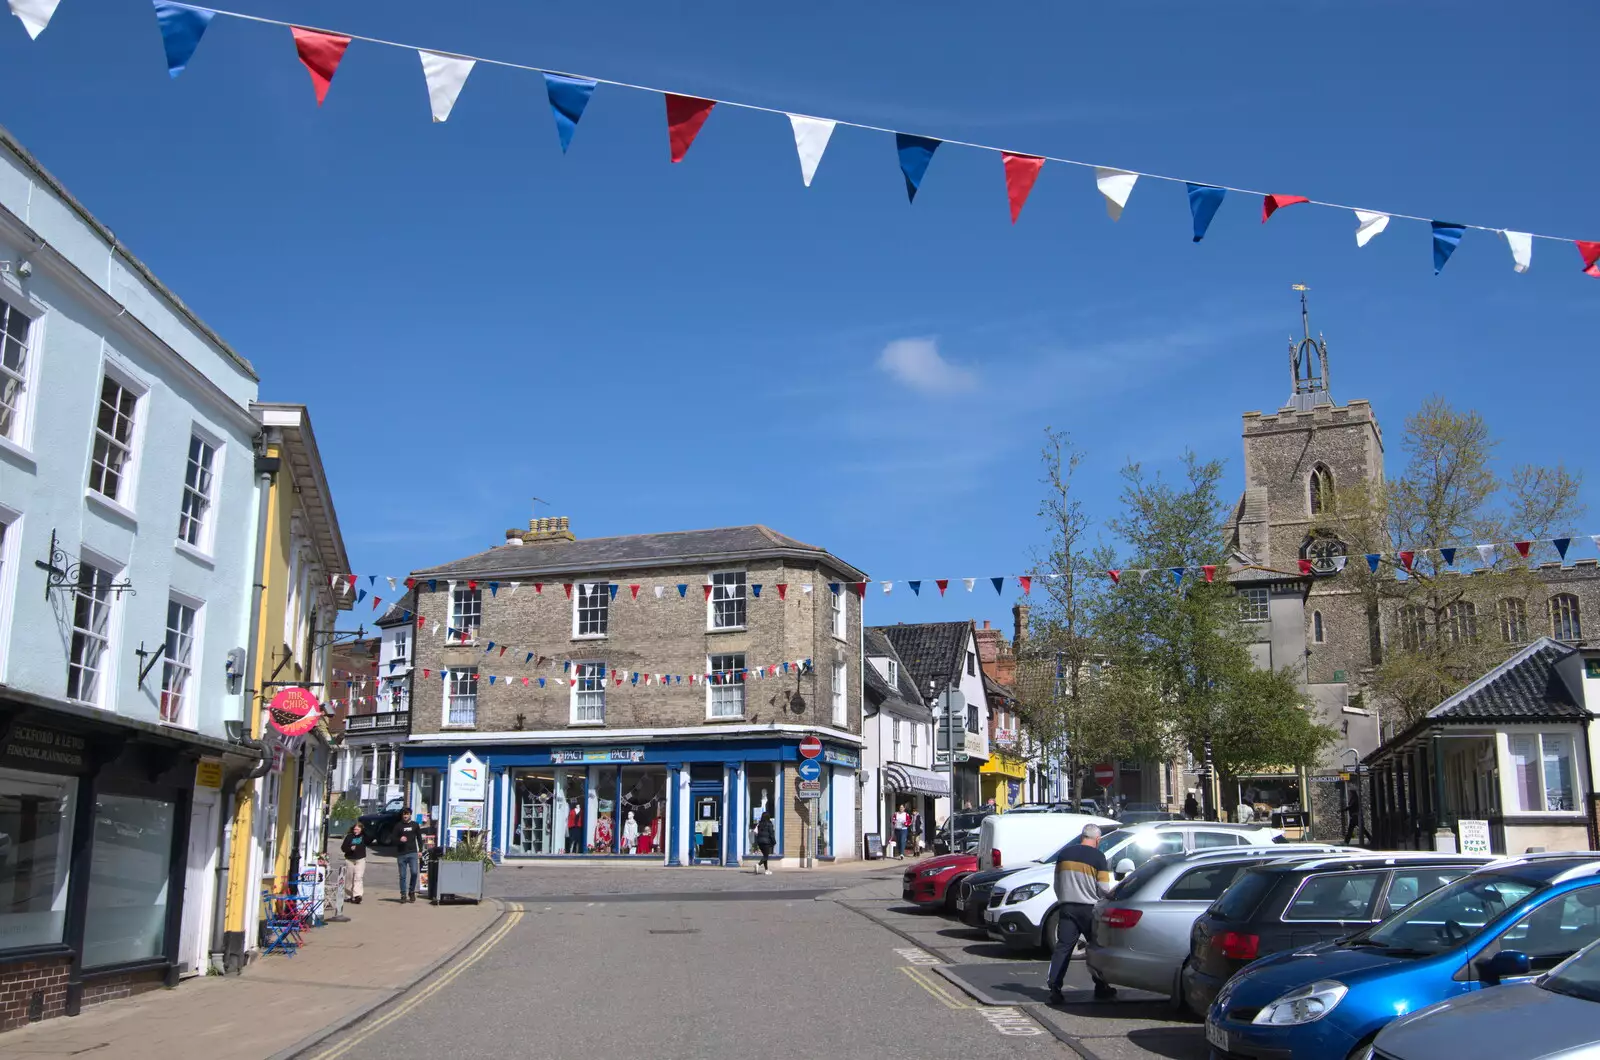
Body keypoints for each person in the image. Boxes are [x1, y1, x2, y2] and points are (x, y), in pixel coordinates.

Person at [1046, 823, 1117, 1004]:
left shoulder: (1064, 854)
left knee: (1063, 948)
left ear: (1082, 836)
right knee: (1095, 948)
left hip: (1067, 907)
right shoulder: (1099, 857)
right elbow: (1103, 888)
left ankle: (1055, 986)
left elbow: (1056, 882)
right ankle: (1101, 986)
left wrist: (1064, 898)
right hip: (1089, 909)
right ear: (1098, 839)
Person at [393, 807, 424, 904]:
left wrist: (420, 850)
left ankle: (411, 891)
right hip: (401, 853)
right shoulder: (398, 826)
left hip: (413, 852)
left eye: (407, 814)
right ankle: (403, 894)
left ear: (410, 814)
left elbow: (419, 838)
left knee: (414, 872)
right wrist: (399, 840)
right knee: (402, 875)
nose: (405, 816)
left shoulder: (415, 825)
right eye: (404, 814)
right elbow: (392, 839)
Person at [340, 821, 368, 904]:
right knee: (349, 878)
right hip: (350, 859)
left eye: (358, 829)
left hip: (360, 860)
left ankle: (357, 896)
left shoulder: (363, 837)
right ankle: (349, 895)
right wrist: (350, 848)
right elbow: (343, 848)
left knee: (358, 877)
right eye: (355, 829)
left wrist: (363, 830)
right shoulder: (349, 837)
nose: (356, 831)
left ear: (361, 830)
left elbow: (369, 835)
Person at [754, 810, 776, 874]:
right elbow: (771, 834)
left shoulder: (759, 824)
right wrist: (774, 842)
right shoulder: (769, 824)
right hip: (766, 842)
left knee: (764, 856)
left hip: (760, 842)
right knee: (766, 856)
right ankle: (758, 864)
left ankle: (766, 870)